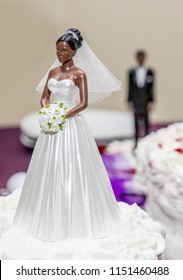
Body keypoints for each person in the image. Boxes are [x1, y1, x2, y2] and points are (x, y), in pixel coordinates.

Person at [0, 29, 165, 259]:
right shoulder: (53, 72)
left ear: (74, 51)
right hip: (52, 125)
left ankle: (79, 215)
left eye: (64, 50)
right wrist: (48, 110)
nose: (59, 54)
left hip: (70, 125)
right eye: (57, 50)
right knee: (47, 166)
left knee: (75, 165)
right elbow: (45, 96)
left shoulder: (79, 74)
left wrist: (62, 115)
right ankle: (44, 212)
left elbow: (83, 103)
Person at [127, 50, 155, 147]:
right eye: (139, 56)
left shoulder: (150, 71)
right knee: (135, 122)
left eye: (142, 56)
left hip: (145, 100)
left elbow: (152, 88)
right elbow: (129, 87)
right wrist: (129, 101)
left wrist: (151, 101)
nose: (140, 58)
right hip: (135, 100)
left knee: (146, 122)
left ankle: (147, 142)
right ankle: (136, 143)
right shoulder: (131, 71)